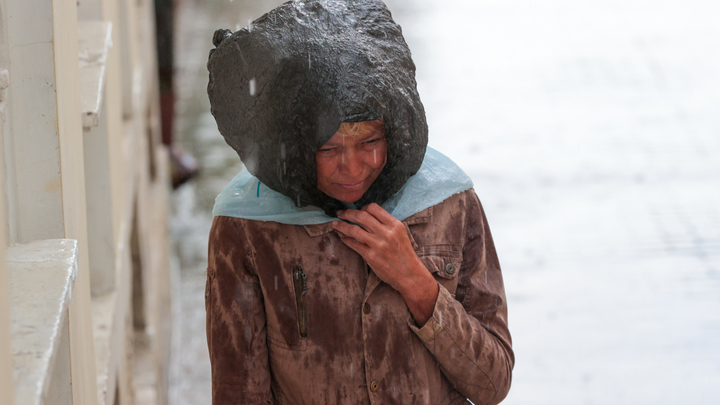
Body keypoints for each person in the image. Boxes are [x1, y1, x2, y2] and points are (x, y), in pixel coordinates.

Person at [205, 1, 514, 404]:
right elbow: (238, 392)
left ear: (395, 133)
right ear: (297, 147)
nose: (352, 168)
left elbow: (493, 384)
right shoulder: (247, 227)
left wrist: (415, 281)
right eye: (329, 148)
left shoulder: (449, 204)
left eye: (370, 142)